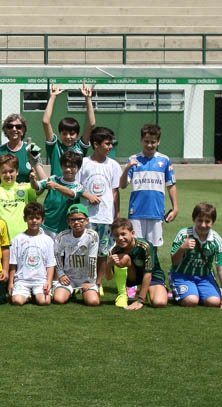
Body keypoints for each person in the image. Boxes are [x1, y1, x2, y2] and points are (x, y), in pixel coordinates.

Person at [118, 122, 178, 305]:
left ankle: (154, 281)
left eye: (153, 142)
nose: (149, 145)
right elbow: (122, 185)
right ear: (141, 140)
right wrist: (128, 167)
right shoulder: (134, 159)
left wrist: (175, 207)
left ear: (158, 141)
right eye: (146, 141)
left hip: (156, 213)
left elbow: (171, 185)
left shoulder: (164, 161)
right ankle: (133, 284)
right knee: (133, 248)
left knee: (153, 249)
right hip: (136, 212)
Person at [78, 126, 122, 290]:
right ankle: (84, 280)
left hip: (105, 216)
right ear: (95, 144)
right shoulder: (84, 163)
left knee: (103, 251)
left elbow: (115, 191)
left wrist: (116, 214)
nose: (110, 147)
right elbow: (76, 186)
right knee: (85, 249)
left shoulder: (114, 165)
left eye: (111, 144)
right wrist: (87, 195)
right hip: (87, 215)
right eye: (107, 144)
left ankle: (98, 283)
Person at [170, 203, 222, 310]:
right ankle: (187, 291)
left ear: (213, 222)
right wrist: (182, 248)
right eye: (200, 220)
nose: (203, 225)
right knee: (191, 300)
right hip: (182, 275)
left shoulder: (217, 240)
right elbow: (175, 262)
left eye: (207, 221)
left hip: (204, 277)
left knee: (214, 302)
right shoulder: (183, 234)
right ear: (194, 219)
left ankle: (199, 291)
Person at [33, 151, 97, 238]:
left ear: (78, 168)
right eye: (65, 166)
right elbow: (37, 186)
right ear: (62, 166)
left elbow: (71, 194)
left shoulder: (78, 187)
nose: (68, 169)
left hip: (65, 229)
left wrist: (56, 186)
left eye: (72, 167)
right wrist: (33, 180)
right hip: (46, 225)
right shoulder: (53, 179)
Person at [110, 218, 168, 310]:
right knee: (125, 258)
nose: (120, 238)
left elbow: (148, 273)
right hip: (133, 277)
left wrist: (140, 300)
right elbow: (109, 277)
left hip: (152, 276)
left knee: (159, 302)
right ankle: (124, 293)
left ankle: (148, 290)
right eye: (116, 236)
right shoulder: (115, 250)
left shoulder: (145, 246)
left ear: (132, 233)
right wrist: (109, 263)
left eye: (123, 234)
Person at [51, 204, 101, 306]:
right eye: (73, 220)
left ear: (87, 220)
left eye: (80, 219)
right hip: (69, 277)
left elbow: (92, 259)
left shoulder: (92, 236)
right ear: (68, 222)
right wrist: (61, 274)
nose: (76, 222)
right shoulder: (62, 236)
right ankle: (70, 291)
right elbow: (56, 255)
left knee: (93, 302)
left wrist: (90, 281)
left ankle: (85, 291)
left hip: (86, 278)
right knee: (58, 300)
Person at [8, 202, 55, 306]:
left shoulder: (48, 240)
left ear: (43, 220)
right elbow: (13, 263)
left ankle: (36, 294)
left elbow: (50, 264)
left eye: (37, 218)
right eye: (31, 218)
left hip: (40, 280)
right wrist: (11, 283)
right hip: (22, 280)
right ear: (25, 219)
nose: (34, 221)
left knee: (44, 301)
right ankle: (27, 295)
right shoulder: (17, 239)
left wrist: (49, 282)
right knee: (17, 301)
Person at [42, 83, 96, 173]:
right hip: (57, 186)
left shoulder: (80, 147)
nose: (68, 137)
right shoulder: (55, 147)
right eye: (64, 133)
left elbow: (92, 124)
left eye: (72, 134)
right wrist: (53, 97)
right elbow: (45, 122)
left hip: (75, 186)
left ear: (77, 135)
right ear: (60, 133)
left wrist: (88, 99)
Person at [0, 154, 41, 239]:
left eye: (11, 171)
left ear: (17, 171)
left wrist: (34, 176)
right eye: (4, 172)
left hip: (23, 238)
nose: (8, 175)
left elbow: (43, 186)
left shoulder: (26, 187)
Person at [0, 113, 38, 183]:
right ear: (6, 130)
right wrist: (0, 190)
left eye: (18, 126)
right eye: (10, 126)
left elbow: (39, 178)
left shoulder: (30, 151)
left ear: (23, 130)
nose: (14, 129)